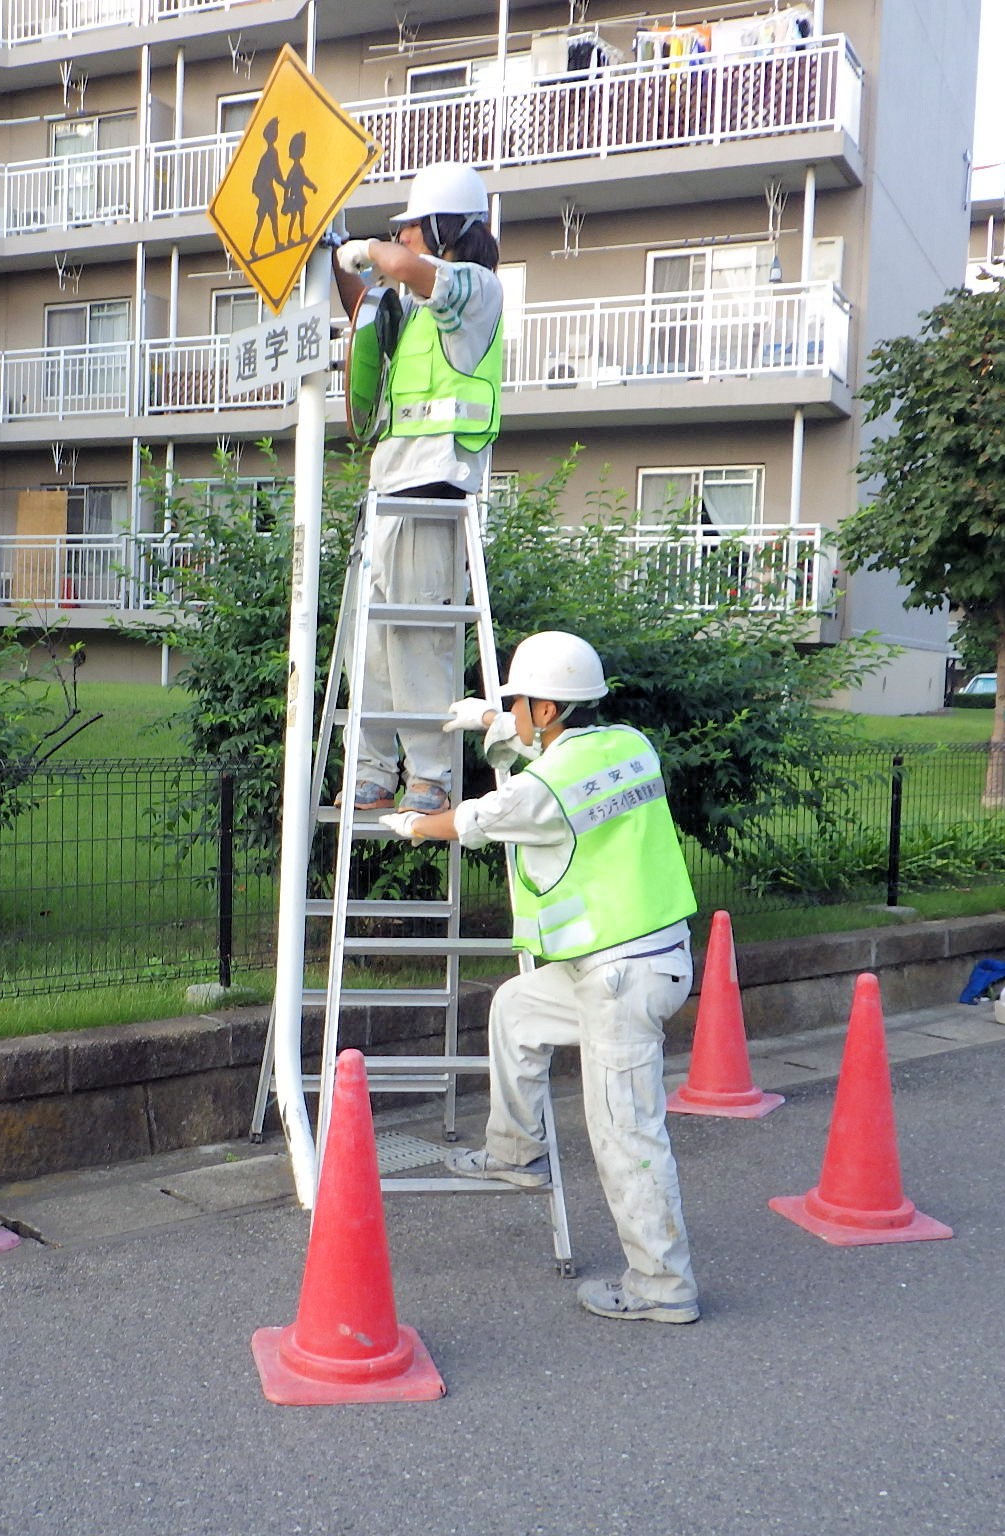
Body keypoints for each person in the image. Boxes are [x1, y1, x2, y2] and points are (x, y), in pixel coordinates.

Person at [377, 631, 702, 1324]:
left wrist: (411, 825)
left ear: (548, 709)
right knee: (518, 1008)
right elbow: (560, 762)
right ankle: (515, 1151)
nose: (516, 711)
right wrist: (493, 722)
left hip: (622, 977)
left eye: (520, 702)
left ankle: (662, 1287)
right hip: (637, 961)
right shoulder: (629, 745)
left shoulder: (545, 788)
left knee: (626, 1134)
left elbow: (483, 816)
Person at [331, 161, 505, 815]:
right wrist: (332, 254)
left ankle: (430, 775)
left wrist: (365, 248)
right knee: (368, 647)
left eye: (409, 229)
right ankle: (374, 769)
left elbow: (401, 269)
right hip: (389, 491)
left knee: (419, 641)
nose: (400, 241)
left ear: (439, 228)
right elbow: (367, 305)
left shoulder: (476, 289)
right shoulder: (415, 307)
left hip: (437, 492)